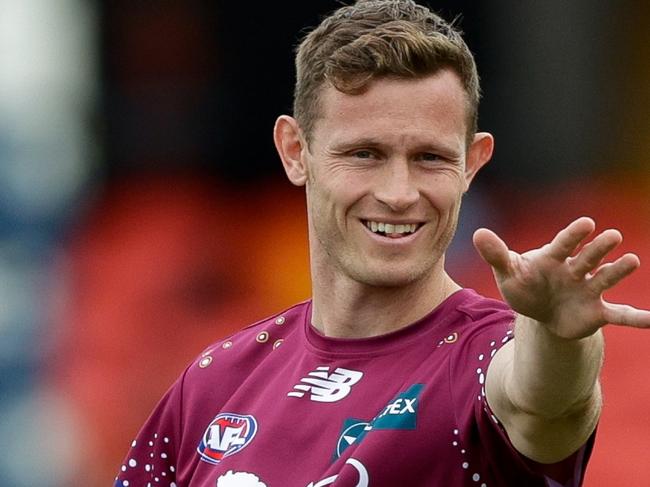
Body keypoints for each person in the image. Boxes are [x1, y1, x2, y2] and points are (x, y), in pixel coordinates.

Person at [115, 1, 650, 486]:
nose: (399, 194)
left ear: (474, 163)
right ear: (295, 151)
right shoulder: (214, 382)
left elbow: (545, 404)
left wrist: (559, 338)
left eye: (430, 158)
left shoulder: (483, 358)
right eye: (365, 154)